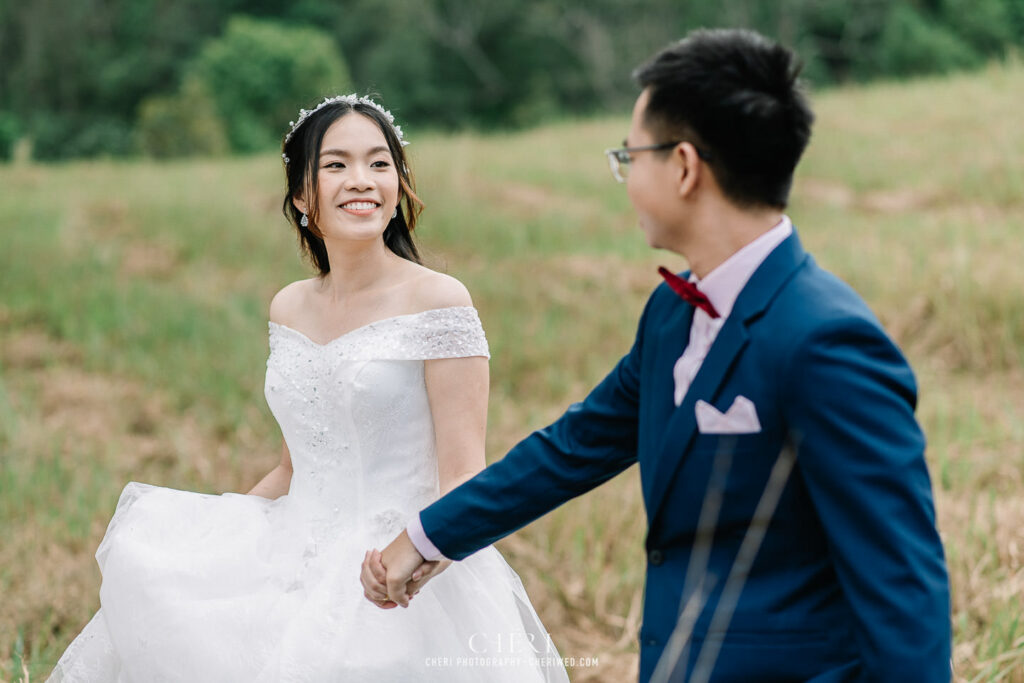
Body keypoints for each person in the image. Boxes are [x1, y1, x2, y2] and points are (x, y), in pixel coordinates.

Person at [364, 29, 952, 682]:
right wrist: (428, 537)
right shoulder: (672, 313)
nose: (624, 176)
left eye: (630, 156)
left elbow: (904, 591)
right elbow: (575, 446)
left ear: (683, 167)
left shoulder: (827, 340)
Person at [49, 94, 568, 682]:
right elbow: (294, 469)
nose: (362, 181)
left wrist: (420, 556)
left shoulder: (439, 302)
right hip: (294, 549)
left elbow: (464, 479)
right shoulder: (289, 307)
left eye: (379, 163)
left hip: (397, 567)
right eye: (336, 164)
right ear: (301, 194)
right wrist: (216, 540)